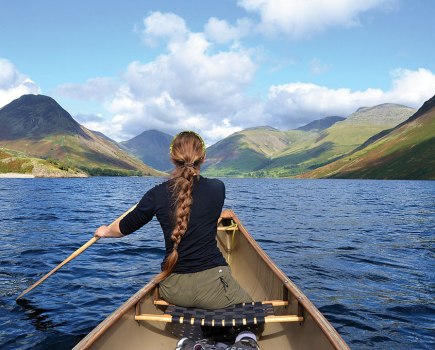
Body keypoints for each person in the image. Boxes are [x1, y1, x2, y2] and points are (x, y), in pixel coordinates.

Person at [94, 131, 259, 350]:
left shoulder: (156, 194)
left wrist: (105, 231)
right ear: (204, 158)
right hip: (216, 289)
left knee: (204, 307)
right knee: (252, 315)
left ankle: (193, 343)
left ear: (172, 158)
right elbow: (201, 210)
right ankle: (239, 341)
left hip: (173, 289)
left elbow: (123, 229)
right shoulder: (218, 188)